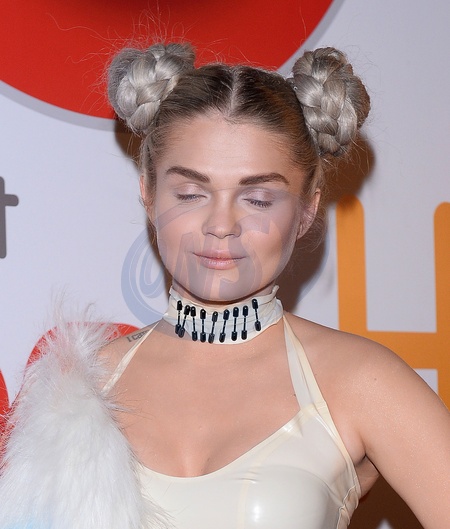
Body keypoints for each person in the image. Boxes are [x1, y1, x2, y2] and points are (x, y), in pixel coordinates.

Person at [0, 42, 449, 529]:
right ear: (148, 193)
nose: (220, 225)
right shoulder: (78, 387)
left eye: (258, 199)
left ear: (306, 210)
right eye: (191, 193)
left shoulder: (360, 382)